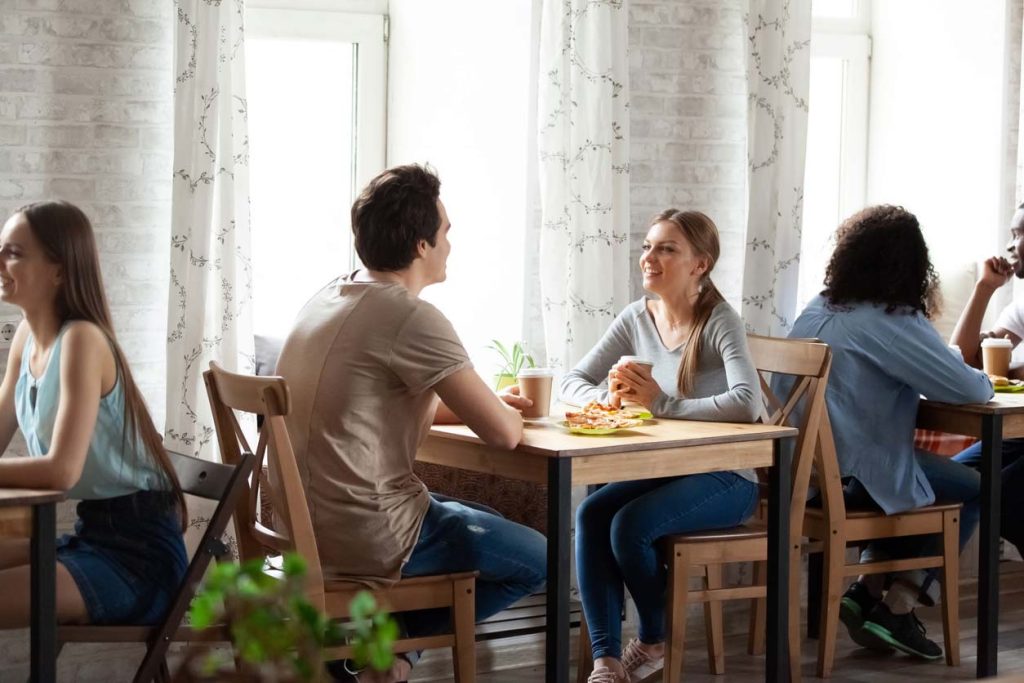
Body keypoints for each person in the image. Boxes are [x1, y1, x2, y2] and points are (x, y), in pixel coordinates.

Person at [275, 164, 547, 683]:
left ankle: (368, 653)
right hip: (368, 530)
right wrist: (500, 409)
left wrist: (483, 401)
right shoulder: (410, 317)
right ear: (422, 245)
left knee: (480, 513)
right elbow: (504, 435)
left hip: (307, 523)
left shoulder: (329, 297)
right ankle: (389, 655)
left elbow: (374, 405)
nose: (450, 244)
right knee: (540, 556)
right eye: (446, 233)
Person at [561, 209, 762, 683]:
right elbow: (571, 381)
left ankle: (654, 639)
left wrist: (661, 404)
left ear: (700, 264)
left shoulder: (718, 320)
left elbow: (747, 403)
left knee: (628, 525)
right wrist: (608, 397)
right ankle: (606, 661)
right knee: (591, 514)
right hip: (667, 468)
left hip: (729, 477)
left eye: (666, 248)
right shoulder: (636, 317)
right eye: (648, 246)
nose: (649, 257)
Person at [788, 205, 992, 661]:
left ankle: (867, 589)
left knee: (929, 478)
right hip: (852, 478)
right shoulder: (891, 319)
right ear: (912, 266)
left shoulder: (819, 305)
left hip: (805, 479)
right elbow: (969, 388)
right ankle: (897, 606)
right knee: (978, 487)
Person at [0, 201, 188, 630]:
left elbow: (60, 472)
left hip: (137, 557)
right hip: (92, 534)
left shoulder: (83, 339)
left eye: (14, 252)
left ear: (60, 270)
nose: (0, 262)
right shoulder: (27, 337)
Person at [949, 201, 1024, 558]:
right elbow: (963, 359)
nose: (1011, 245)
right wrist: (984, 289)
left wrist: (1014, 371)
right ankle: (903, 594)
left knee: (1004, 494)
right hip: (1018, 431)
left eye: (1020, 233)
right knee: (959, 477)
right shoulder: (1022, 305)